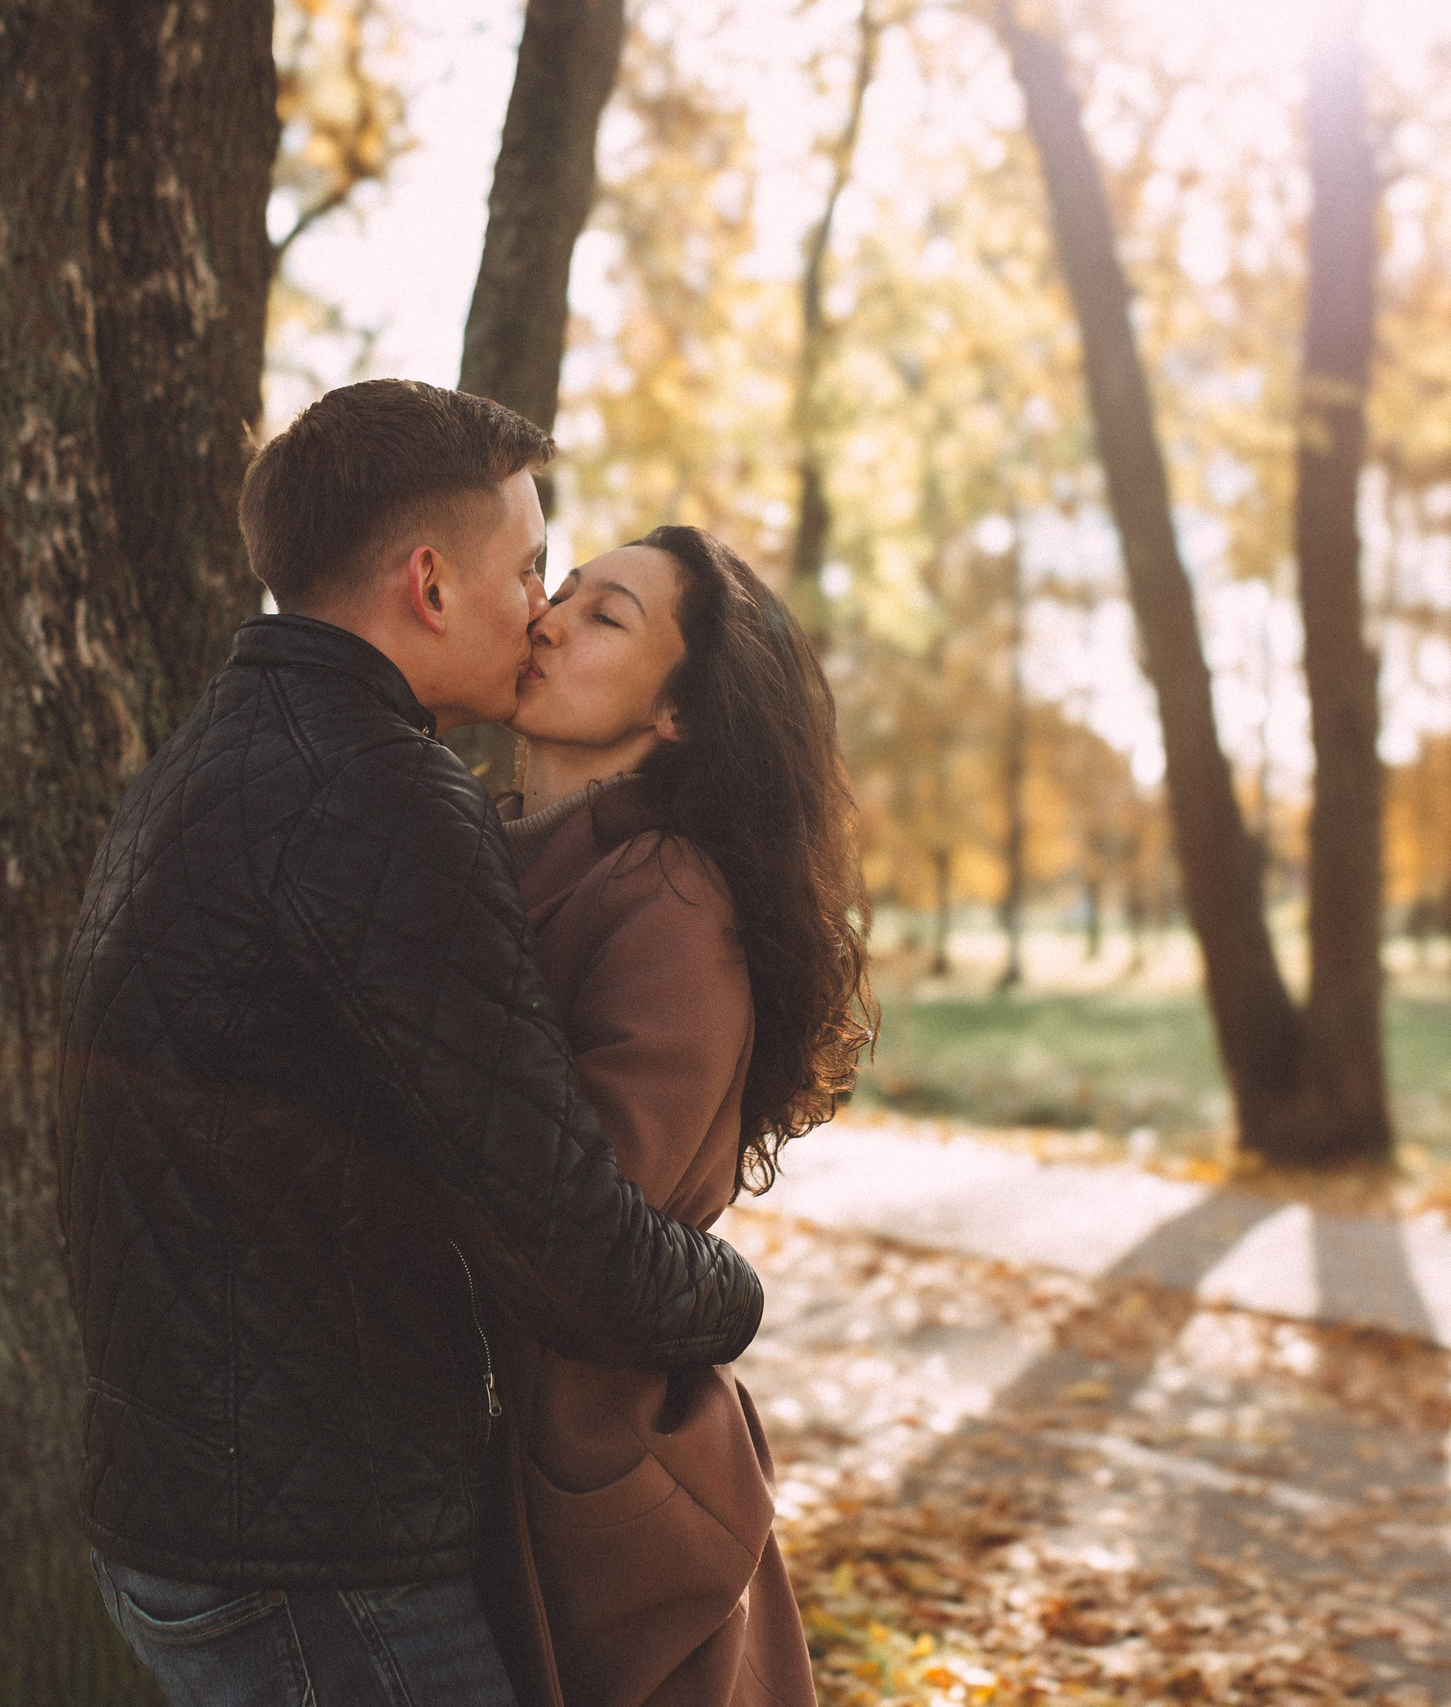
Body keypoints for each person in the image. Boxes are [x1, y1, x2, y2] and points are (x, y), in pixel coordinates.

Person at [55, 383, 767, 1707]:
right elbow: (563, 1237)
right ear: (430, 585)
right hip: (316, 1554)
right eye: (531, 569)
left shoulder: (219, 751)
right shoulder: (376, 791)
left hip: (194, 1511)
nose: (539, 610)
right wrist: (737, 1295)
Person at [477, 526, 874, 1707]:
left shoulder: (666, 889)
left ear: (679, 714)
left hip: (593, 1472)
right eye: (560, 591)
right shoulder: (482, 842)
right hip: (491, 1453)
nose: (548, 619)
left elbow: (588, 1216)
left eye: (606, 616)